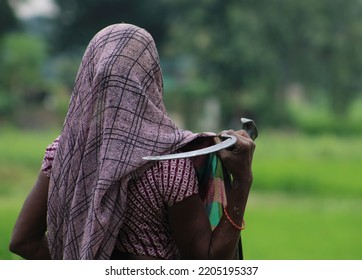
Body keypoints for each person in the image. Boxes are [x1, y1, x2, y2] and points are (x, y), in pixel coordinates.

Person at [9, 23, 255, 260]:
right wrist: (242, 181)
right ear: (152, 79)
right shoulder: (168, 165)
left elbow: (23, 241)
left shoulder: (64, 153)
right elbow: (209, 263)